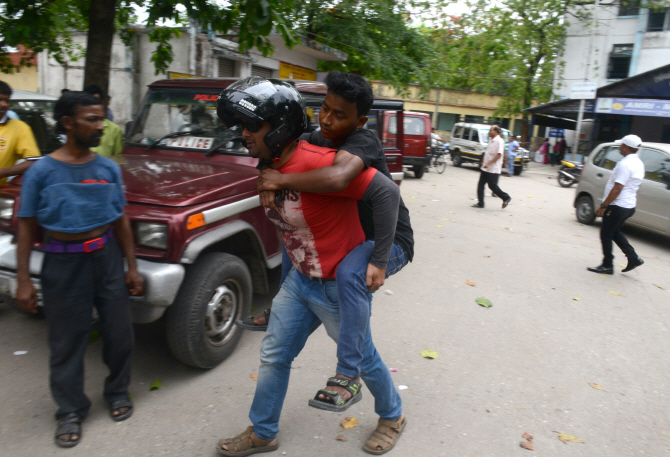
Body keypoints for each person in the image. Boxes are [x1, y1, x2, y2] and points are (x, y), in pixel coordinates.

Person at [216, 77, 407, 455]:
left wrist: (380, 261)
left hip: (343, 277)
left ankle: (392, 415)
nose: (244, 133)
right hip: (301, 281)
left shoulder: (329, 163)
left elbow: (385, 192)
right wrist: (267, 179)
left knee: (362, 356)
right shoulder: (278, 161)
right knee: (273, 355)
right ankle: (263, 431)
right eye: (325, 110)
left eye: (252, 126)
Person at [15, 91, 144, 448]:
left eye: (101, 118)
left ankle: (118, 392)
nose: (100, 126)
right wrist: (24, 280)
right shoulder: (41, 171)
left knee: (119, 334)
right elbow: (25, 224)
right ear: (68, 123)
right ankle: (70, 411)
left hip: (105, 257)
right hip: (62, 262)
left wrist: (131, 268)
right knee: (66, 342)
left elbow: (121, 219)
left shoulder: (107, 168)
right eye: (91, 119)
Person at [587, 134, 645, 275]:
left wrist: (603, 206)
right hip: (629, 206)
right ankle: (633, 257)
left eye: (621, 145)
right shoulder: (639, 163)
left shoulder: (625, 164)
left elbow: (617, 188)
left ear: (625, 147)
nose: (620, 147)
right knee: (614, 232)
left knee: (606, 234)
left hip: (617, 206)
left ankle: (608, 265)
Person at [0, 81, 41, 183]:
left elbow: (33, 161)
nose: (4, 104)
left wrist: (2, 172)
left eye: (7, 100)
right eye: (0, 99)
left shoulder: (20, 128)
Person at [472, 125, 511, 209]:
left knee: (492, 186)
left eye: (491, 130)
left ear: (496, 131)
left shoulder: (499, 141)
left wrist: (489, 163)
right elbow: (487, 152)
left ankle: (506, 197)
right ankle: (480, 203)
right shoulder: (491, 140)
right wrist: (483, 161)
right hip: (486, 167)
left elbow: (499, 154)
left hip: (493, 168)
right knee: (480, 185)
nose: (489, 132)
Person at [83, 85, 123, 157]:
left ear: (102, 104)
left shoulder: (115, 130)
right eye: (88, 102)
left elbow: (118, 158)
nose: (92, 106)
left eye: (95, 101)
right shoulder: (78, 128)